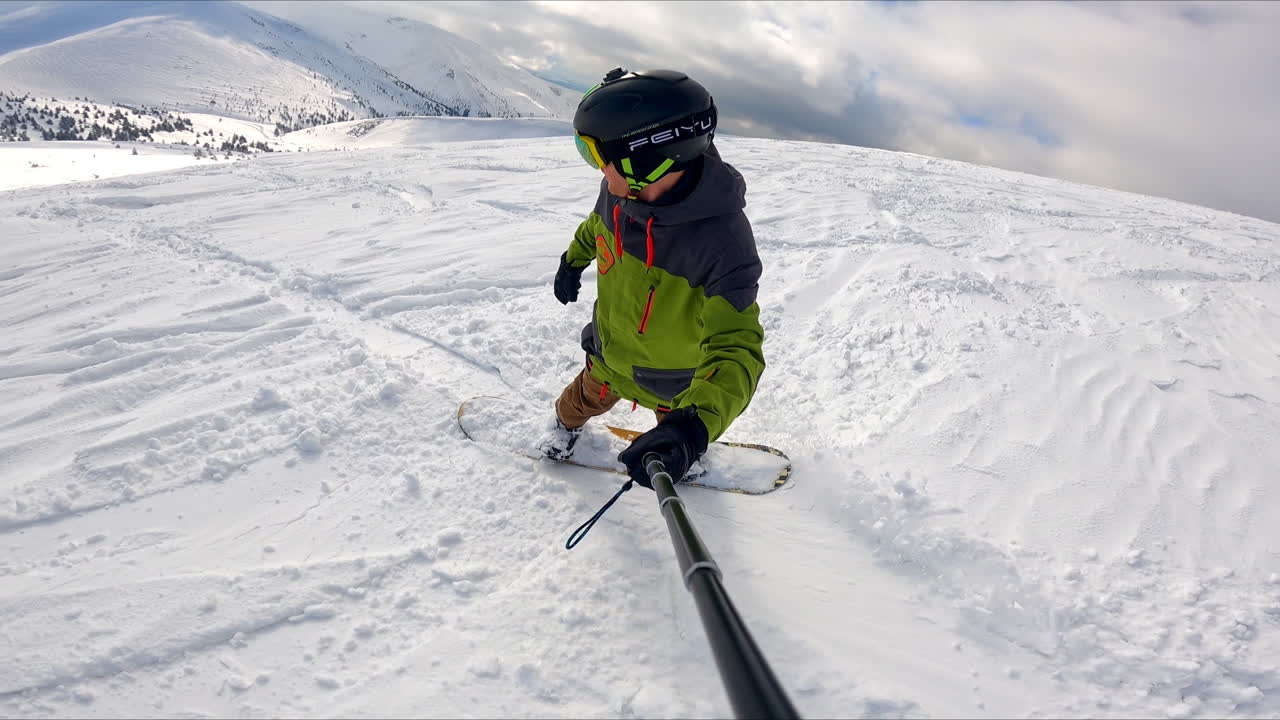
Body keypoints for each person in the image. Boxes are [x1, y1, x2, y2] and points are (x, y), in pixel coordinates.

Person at [540, 67, 766, 489]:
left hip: (675, 381)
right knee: (578, 402)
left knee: (673, 427)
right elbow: (596, 228)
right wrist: (572, 261)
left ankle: (684, 453)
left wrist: (691, 430)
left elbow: (737, 350)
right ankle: (562, 429)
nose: (597, 170)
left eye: (596, 155)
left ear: (643, 158)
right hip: (609, 356)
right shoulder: (620, 192)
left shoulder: (724, 245)